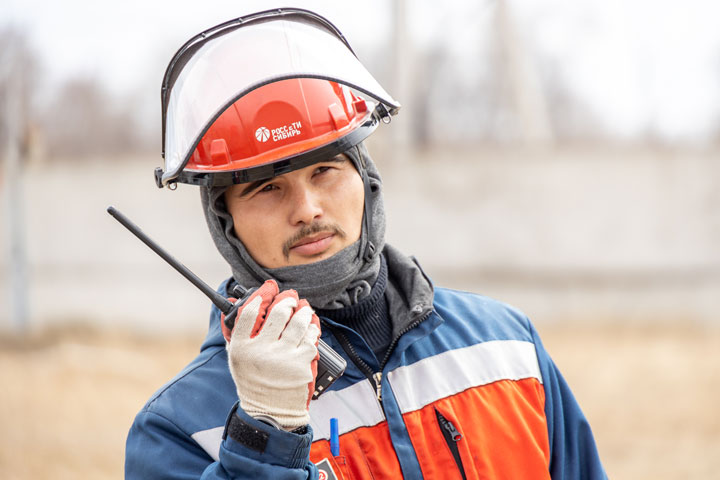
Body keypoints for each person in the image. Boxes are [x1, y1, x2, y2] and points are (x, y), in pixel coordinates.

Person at [125, 8, 607, 479]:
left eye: (325, 170)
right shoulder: (179, 432)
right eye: (268, 188)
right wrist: (264, 437)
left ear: (367, 179)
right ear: (224, 221)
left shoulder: (506, 346)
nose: (308, 209)